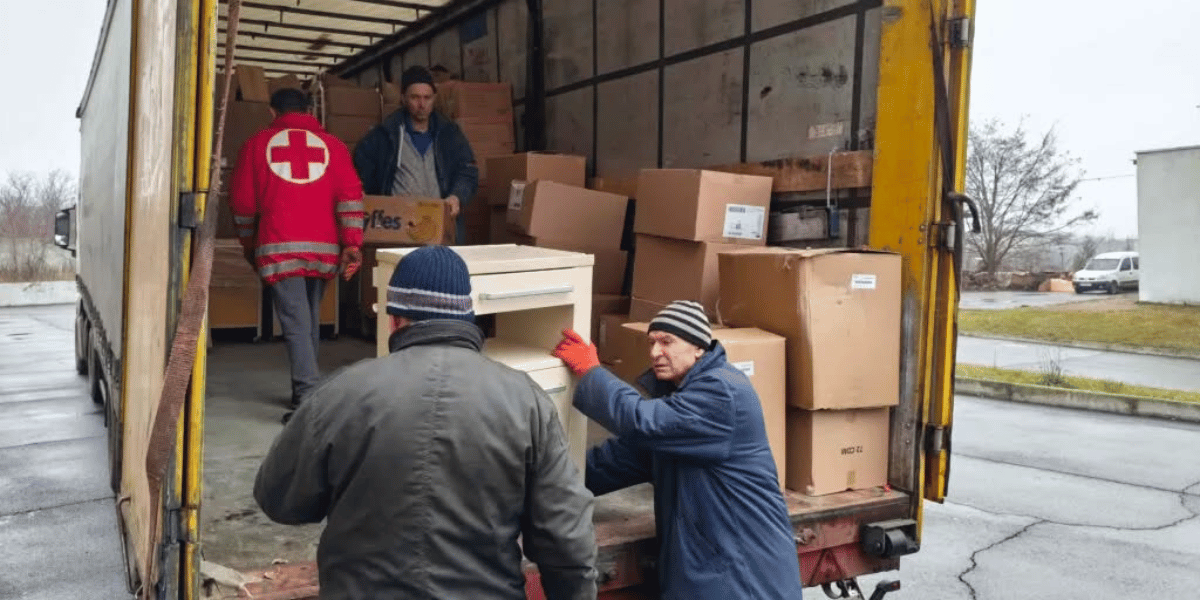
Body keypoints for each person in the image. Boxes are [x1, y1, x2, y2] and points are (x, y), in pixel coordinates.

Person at [255, 245, 599, 600]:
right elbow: (566, 540)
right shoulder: (527, 401)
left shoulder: (339, 393)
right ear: (468, 317)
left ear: (394, 319)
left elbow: (278, 499)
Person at [552, 300, 805, 599]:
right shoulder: (681, 408)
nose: (655, 352)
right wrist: (542, 486)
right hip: (715, 571)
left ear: (699, 347)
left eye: (667, 342)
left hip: (744, 576)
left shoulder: (722, 391)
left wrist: (592, 372)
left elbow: (642, 422)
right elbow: (617, 460)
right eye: (652, 342)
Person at [229, 87, 364, 422]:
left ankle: (306, 397)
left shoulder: (256, 145)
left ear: (273, 113)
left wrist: (249, 243)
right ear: (310, 111)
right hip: (324, 251)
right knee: (308, 321)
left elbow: (243, 203)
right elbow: (350, 195)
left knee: (296, 324)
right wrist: (351, 243)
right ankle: (307, 388)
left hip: (279, 247)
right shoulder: (334, 147)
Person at [353, 66, 478, 244]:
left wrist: (457, 196)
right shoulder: (384, 135)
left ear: (434, 98)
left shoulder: (449, 134)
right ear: (403, 98)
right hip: (398, 229)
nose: (422, 104)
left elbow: (468, 170)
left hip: (439, 227)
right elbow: (359, 168)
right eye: (415, 97)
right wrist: (366, 197)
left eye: (427, 97)